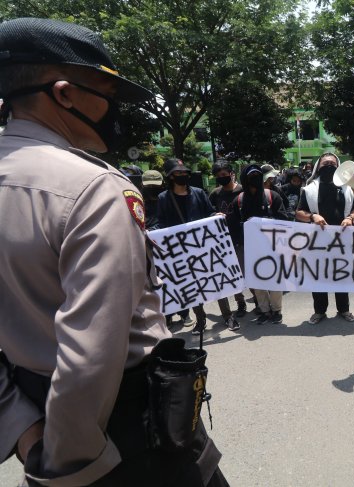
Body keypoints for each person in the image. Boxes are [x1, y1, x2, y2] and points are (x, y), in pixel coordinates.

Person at [0, 17, 227, 486]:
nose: (116, 111)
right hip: (123, 435)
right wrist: (65, 464)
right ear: (64, 93)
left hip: (39, 420)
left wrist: (23, 431)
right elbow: (90, 357)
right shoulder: (93, 188)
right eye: (108, 94)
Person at [295, 153, 354, 324]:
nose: (329, 165)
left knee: (341, 275)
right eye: (325, 163)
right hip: (317, 242)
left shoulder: (347, 188)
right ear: (318, 166)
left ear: (338, 167)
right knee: (318, 276)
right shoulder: (309, 190)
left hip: (341, 241)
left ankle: (344, 309)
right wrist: (312, 216)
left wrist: (350, 218)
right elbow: (299, 212)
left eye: (332, 163)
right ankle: (320, 311)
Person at [157, 157, 218, 335]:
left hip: (201, 245)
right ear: (170, 176)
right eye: (178, 173)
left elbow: (210, 212)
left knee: (215, 279)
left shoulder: (199, 193)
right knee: (191, 286)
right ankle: (200, 319)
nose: (182, 175)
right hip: (179, 250)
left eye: (184, 172)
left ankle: (228, 314)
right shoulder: (164, 198)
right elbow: (161, 224)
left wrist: (216, 215)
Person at [235, 165, 288, 324]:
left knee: (275, 281)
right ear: (245, 179)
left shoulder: (272, 196)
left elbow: (285, 218)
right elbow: (232, 224)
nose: (255, 179)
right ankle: (264, 311)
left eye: (258, 175)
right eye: (251, 176)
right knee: (257, 282)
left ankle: (277, 310)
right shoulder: (239, 200)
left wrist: (267, 223)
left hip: (273, 247)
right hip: (251, 249)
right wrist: (246, 225)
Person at [209, 161, 247, 329]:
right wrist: (213, 215)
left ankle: (259, 303)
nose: (221, 178)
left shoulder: (242, 191)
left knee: (245, 272)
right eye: (218, 176)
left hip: (242, 238)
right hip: (223, 241)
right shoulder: (215, 194)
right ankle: (241, 302)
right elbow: (207, 212)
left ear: (232, 173)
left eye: (224, 175)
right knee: (231, 274)